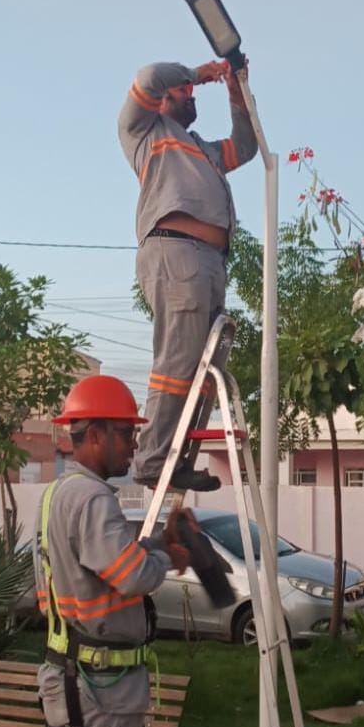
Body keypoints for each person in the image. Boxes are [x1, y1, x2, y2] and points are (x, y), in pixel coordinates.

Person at [35, 375, 196, 727]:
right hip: (97, 690)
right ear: (94, 434)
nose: (135, 444)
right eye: (126, 433)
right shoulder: (91, 498)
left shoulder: (62, 491)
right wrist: (168, 560)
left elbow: (110, 560)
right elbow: (134, 576)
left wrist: (158, 541)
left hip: (79, 680)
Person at [118, 56, 258, 492]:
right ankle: (153, 459)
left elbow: (247, 147)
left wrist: (237, 93)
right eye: (183, 91)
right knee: (178, 361)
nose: (190, 95)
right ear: (164, 99)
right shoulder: (143, 131)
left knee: (204, 367)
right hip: (176, 252)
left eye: (193, 91)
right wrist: (202, 71)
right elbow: (147, 77)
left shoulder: (203, 148)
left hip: (210, 260)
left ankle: (177, 458)